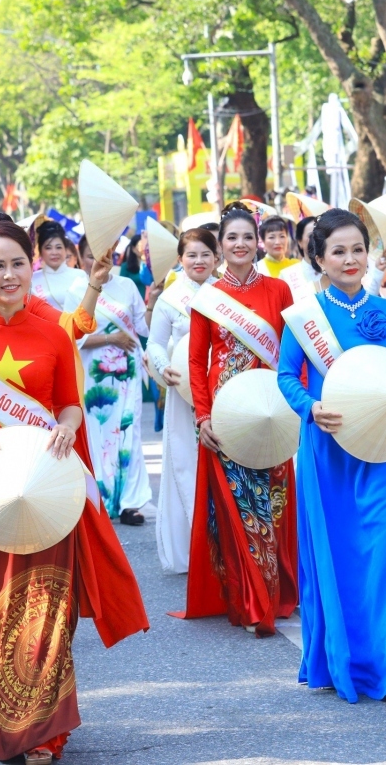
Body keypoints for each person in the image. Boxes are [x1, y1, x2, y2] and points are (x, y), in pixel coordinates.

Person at [0, 216, 148, 765]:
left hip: (45, 487)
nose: (10, 274)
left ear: (31, 266)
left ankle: (43, 731)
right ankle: (3, 717)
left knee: (48, 605)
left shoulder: (53, 333)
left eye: (19, 263)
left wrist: (66, 425)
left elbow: (67, 401)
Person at [277, 208, 386, 703]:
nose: (350, 259)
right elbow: (285, 376)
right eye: (338, 251)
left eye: (357, 249)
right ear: (318, 258)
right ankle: (348, 657)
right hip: (328, 450)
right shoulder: (304, 317)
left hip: (381, 448)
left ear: (370, 254)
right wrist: (310, 406)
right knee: (342, 556)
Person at [179, 205, 296, 634]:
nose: (241, 244)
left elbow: (292, 353)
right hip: (226, 416)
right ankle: (250, 598)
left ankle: (277, 590)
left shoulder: (279, 290)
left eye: (248, 236)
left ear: (259, 241)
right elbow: (196, 361)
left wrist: (295, 407)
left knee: (273, 502)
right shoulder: (207, 298)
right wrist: (204, 416)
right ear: (221, 245)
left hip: (271, 411)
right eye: (232, 238)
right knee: (238, 506)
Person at [64, 235, 151, 525]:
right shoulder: (76, 288)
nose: (99, 261)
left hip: (127, 372)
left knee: (128, 431)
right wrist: (110, 338)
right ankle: (97, 496)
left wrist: (156, 297)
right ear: (79, 256)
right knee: (97, 433)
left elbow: (143, 326)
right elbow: (71, 337)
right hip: (92, 374)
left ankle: (130, 502)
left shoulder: (126, 286)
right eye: (91, 256)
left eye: (105, 254)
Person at [149, 227, 218, 573]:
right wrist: (165, 369)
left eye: (206, 254)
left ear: (216, 257)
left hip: (224, 395)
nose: (199, 261)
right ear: (180, 260)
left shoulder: (226, 293)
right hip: (184, 395)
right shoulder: (171, 298)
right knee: (187, 463)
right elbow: (154, 345)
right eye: (191, 255)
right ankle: (198, 547)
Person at [31, 220, 83, 310]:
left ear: (65, 249)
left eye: (58, 247)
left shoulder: (80, 276)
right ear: (40, 251)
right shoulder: (32, 280)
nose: (54, 252)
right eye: (48, 248)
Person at [282, 216, 324, 302]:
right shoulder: (286, 276)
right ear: (299, 241)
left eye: (319, 234)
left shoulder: (334, 271)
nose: (316, 239)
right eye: (311, 235)